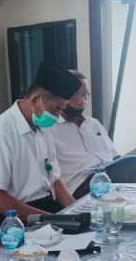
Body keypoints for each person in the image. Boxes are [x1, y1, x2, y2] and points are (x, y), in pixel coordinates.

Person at [0, 62, 82, 239]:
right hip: (6, 216)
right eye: (56, 109)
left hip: (43, 206)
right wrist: (50, 221)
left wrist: (77, 211)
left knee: (89, 233)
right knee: (68, 241)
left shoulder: (43, 129)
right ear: (35, 100)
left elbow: (55, 180)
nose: (57, 117)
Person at [46, 71, 120, 199]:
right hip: (81, 184)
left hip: (111, 174)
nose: (83, 101)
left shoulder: (93, 123)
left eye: (86, 95)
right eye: (78, 95)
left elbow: (115, 156)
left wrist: (125, 166)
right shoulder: (49, 130)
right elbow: (51, 176)